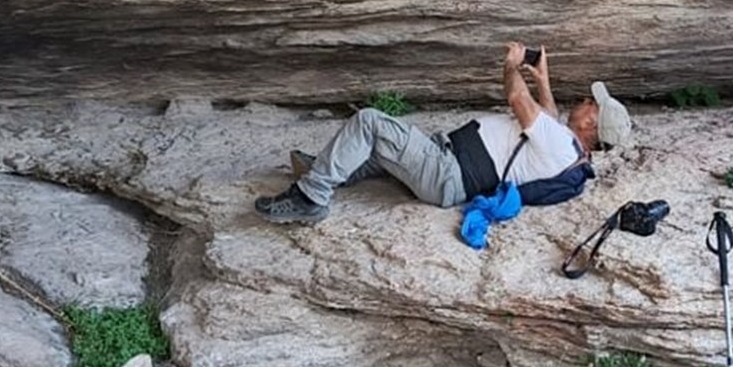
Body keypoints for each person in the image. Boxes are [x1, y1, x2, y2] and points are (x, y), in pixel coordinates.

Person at [254, 41, 632, 224]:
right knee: (383, 153)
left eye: (590, 103)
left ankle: (311, 197)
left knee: (370, 123)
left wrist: (512, 67)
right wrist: (543, 78)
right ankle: (326, 168)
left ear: (590, 124)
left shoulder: (560, 147)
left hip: (446, 174)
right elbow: (547, 116)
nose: (583, 100)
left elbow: (518, 100)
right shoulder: (567, 150)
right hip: (448, 164)